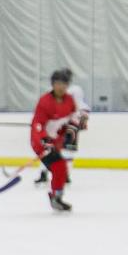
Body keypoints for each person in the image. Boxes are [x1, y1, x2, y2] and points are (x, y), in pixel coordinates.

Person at [31, 70, 76, 212]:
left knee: (61, 168)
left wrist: (69, 131)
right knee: (59, 166)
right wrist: (44, 140)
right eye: (58, 83)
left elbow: (71, 119)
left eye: (64, 83)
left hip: (55, 141)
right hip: (40, 142)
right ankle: (56, 198)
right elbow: (37, 125)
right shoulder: (45, 101)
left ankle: (56, 197)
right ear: (52, 84)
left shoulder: (69, 101)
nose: (61, 87)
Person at [35, 68, 89, 185]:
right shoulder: (65, 91)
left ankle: (64, 175)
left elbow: (80, 108)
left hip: (71, 124)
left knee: (67, 149)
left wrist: (80, 120)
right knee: (51, 149)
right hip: (58, 125)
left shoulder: (75, 90)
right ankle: (46, 173)